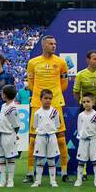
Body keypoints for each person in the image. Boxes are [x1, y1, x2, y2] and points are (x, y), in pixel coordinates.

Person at [23, 36, 69, 183]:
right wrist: (40, 97)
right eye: (51, 44)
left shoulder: (61, 62)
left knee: (61, 139)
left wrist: (53, 97)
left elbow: (64, 83)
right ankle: (30, 172)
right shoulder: (33, 63)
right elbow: (31, 83)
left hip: (56, 104)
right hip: (37, 104)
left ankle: (64, 172)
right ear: (43, 45)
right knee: (32, 140)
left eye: (55, 43)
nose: (54, 46)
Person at [72, 51, 96, 179]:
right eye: (94, 59)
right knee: (83, 139)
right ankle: (82, 173)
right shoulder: (81, 75)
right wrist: (83, 104)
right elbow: (76, 92)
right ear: (88, 60)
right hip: (84, 109)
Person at [31, 89, 61, 187]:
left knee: (51, 159)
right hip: (40, 137)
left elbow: (57, 125)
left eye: (50, 98)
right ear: (41, 99)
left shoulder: (55, 112)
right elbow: (35, 126)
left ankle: (53, 181)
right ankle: (38, 181)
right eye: (45, 98)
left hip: (52, 137)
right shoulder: (37, 113)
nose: (48, 100)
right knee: (39, 159)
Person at [74, 93, 96, 187]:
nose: (86, 104)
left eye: (88, 101)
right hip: (83, 141)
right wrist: (82, 135)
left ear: (93, 102)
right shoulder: (80, 115)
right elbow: (79, 128)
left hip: (93, 140)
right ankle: (79, 179)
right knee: (81, 161)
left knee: (95, 161)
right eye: (84, 102)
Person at [0, 84, 21, 188]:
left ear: (5, 95)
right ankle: (2, 180)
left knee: (10, 158)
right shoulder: (3, 106)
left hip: (8, 135)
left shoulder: (13, 108)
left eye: (2, 93)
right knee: (1, 158)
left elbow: (16, 125)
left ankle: (10, 180)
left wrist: (14, 134)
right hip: (0, 134)